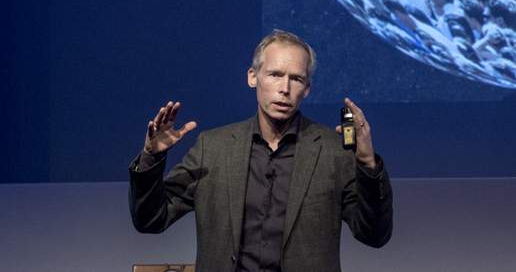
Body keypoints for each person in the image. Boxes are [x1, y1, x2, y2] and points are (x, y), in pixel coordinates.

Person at [129, 30, 392, 272]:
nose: (285, 89)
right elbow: (151, 220)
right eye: (275, 75)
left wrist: (368, 164)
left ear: (307, 89)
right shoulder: (213, 147)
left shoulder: (333, 150)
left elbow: (374, 235)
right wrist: (152, 156)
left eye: (296, 79)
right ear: (253, 77)